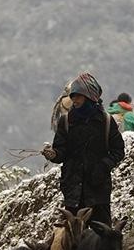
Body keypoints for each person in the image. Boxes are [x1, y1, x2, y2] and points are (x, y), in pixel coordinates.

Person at [42, 72, 125, 227]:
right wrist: (53, 154)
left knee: (101, 237)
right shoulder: (66, 121)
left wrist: (103, 166)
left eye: (78, 96)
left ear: (90, 97)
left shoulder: (106, 122)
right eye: (73, 96)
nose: (74, 100)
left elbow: (118, 151)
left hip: (98, 192)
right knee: (73, 241)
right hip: (74, 192)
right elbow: (61, 151)